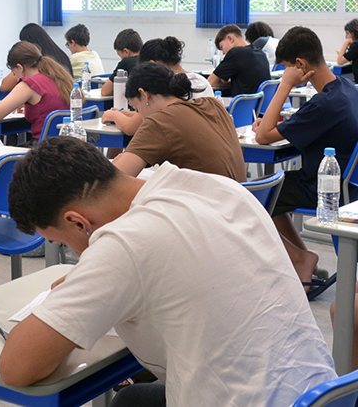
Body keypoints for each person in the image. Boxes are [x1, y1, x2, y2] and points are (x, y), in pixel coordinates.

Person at [0, 137, 337, 407]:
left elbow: (16, 368)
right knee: (131, 399)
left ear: (78, 221)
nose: (76, 254)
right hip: (319, 395)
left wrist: (81, 289)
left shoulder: (124, 245)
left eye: (66, 242)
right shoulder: (211, 187)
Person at [254, 26, 358, 288]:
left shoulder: (323, 104)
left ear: (300, 64)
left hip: (326, 191)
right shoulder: (346, 88)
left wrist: (285, 84)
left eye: (288, 67)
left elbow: (263, 136)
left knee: (256, 197)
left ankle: (300, 258)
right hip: (349, 185)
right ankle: (303, 256)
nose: (286, 73)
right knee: (277, 186)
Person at [106, 63, 246, 181]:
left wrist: (117, 162)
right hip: (242, 203)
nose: (140, 115)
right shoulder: (213, 104)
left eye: (136, 108)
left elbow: (115, 181)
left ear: (144, 95)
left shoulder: (159, 122)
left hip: (207, 208)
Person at [0, 41, 73, 143]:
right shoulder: (58, 77)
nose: (16, 78)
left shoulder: (28, 84)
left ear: (20, 68)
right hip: (67, 145)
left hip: (44, 149)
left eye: (14, 73)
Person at [207, 24, 271, 96]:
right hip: (258, 104)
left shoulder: (236, 53)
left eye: (222, 47)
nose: (223, 53)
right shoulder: (260, 53)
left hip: (242, 104)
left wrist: (229, 83)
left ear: (230, 39)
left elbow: (211, 82)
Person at [100, 29, 142, 96]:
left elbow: (105, 92)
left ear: (126, 51)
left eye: (120, 55)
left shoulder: (126, 62)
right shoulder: (150, 59)